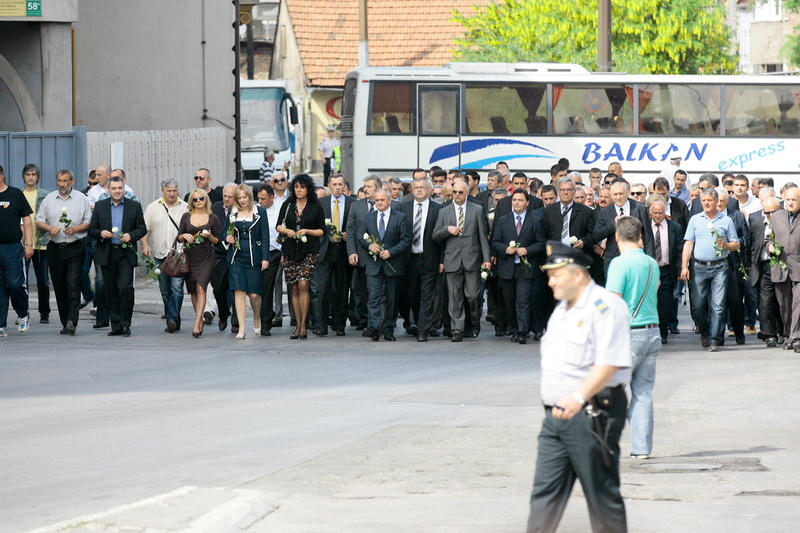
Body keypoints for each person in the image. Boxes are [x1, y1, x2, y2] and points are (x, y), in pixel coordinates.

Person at [526, 241, 631, 533]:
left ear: (577, 274)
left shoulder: (605, 306)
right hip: (556, 416)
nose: (550, 282)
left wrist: (578, 396)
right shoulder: (562, 310)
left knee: (601, 497)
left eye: (556, 275)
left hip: (591, 413)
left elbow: (610, 362)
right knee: (543, 496)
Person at [606, 216, 660, 460]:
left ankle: (604, 445)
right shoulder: (651, 263)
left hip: (628, 334)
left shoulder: (619, 264)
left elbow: (612, 302)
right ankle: (641, 448)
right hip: (652, 331)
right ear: (640, 236)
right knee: (643, 392)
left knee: (608, 391)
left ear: (617, 237)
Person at [680, 187, 740, 352]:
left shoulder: (726, 220)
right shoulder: (695, 220)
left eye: (709, 200)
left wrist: (726, 245)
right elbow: (688, 243)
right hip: (699, 267)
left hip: (720, 267)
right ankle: (705, 331)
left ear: (716, 202)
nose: (706, 203)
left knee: (718, 305)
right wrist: (684, 266)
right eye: (703, 200)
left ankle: (714, 339)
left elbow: (736, 244)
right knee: (698, 306)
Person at [432, 180, 491, 342]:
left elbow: (483, 236)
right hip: (452, 259)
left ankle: (474, 321)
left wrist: (486, 259)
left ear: (466, 193)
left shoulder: (477, 210)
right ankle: (457, 329)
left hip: (472, 258)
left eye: (460, 192)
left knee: (472, 295)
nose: (457, 195)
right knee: (455, 296)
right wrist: (447, 230)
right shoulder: (444, 212)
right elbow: (435, 235)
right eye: (455, 192)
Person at [88, 176, 147, 337]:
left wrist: (131, 235)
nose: (117, 191)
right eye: (113, 188)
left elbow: (142, 228)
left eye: (119, 188)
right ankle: (116, 325)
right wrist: (101, 233)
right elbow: (91, 230)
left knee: (125, 288)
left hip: (125, 253)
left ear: (124, 188)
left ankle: (126, 323)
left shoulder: (134, 206)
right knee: (110, 290)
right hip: (107, 252)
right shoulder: (100, 207)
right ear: (108, 190)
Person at [34, 169, 91, 335]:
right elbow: (39, 221)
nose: (62, 184)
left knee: (72, 285)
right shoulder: (49, 199)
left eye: (65, 181)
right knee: (59, 286)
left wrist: (76, 229)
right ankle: (65, 321)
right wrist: (49, 228)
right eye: (60, 181)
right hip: (55, 247)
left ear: (72, 181)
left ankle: (72, 321)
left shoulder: (82, 199)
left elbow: (88, 221)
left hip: (75, 246)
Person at [491, 189, 545, 344]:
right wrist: (504, 249)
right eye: (514, 200)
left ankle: (523, 331)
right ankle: (514, 329)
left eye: (520, 200)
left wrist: (527, 250)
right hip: (507, 266)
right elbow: (495, 241)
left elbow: (541, 243)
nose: (517, 203)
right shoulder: (503, 220)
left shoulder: (534, 221)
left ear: (527, 202)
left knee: (523, 300)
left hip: (526, 268)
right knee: (509, 300)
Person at [357, 189, 410, 341]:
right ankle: (374, 327)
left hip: (392, 263)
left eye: (382, 200)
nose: (379, 203)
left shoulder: (400, 217)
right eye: (377, 200)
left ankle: (388, 329)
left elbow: (406, 240)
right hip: (374, 265)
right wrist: (369, 246)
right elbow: (361, 237)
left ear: (389, 201)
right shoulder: (369, 217)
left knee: (391, 298)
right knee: (373, 297)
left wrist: (391, 252)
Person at [277, 174, 325, 339]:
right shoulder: (288, 204)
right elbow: (278, 225)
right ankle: (297, 325)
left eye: (302, 187)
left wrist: (307, 231)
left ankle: (304, 325)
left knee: (304, 284)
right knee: (294, 287)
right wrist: (286, 231)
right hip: (290, 249)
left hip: (309, 249)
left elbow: (321, 230)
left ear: (308, 188)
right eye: (296, 187)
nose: (298, 190)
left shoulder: (315, 205)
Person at [397, 178, 442, 342]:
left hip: (429, 257)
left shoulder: (438, 209)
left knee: (427, 295)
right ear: (412, 190)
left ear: (429, 190)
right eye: (416, 187)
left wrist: (442, 260)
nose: (419, 190)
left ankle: (423, 329)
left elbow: (441, 238)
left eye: (423, 187)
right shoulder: (403, 207)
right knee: (412, 295)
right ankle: (417, 323)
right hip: (409, 259)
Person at [142, 178, 189, 333]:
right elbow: (145, 230)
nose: (172, 193)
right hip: (159, 255)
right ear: (163, 191)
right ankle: (173, 317)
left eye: (174, 190)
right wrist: (145, 245)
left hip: (178, 255)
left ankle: (172, 318)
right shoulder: (153, 207)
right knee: (165, 290)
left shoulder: (185, 207)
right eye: (169, 191)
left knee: (177, 289)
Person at [224, 184, 270, 339]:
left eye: (245, 197)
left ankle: (256, 317)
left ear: (250, 197)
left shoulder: (259, 212)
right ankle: (242, 328)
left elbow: (265, 236)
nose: (242, 200)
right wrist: (227, 237)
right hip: (236, 256)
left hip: (254, 256)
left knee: (254, 295)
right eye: (239, 198)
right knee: (239, 291)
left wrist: (265, 258)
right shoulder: (233, 212)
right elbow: (225, 230)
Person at [178, 188, 222, 338]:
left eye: (201, 199)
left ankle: (198, 322)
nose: (198, 202)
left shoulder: (213, 218)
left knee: (201, 288)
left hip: (206, 257)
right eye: (195, 199)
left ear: (206, 200)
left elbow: (218, 241)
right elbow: (179, 237)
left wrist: (209, 237)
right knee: (193, 291)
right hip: (189, 257)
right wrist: (184, 235)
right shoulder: (186, 216)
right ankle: (200, 318)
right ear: (191, 201)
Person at [314, 174, 353, 336]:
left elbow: (356, 226)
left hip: (343, 250)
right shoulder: (320, 203)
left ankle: (340, 324)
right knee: (323, 289)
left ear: (344, 186)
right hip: (325, 250)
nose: (338, 187)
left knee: (342, 289)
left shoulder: (352, 203)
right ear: (329, 186)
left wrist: (348, 235)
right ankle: (321, 324)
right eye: (334, 184)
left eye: (340, 184)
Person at [592, 179, 654, 275]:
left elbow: (648, 237)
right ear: (611, 195)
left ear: (628, 193)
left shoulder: (640, 208)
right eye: (615, 194)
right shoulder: (604, 212)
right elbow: (596, 236)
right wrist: (613, 225)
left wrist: (650, 264)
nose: (618, 197)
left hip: (637, 260)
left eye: (621, 194)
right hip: (613, 261)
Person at [0, 164, 34, 338]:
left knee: (15, 284)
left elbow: (27, 221)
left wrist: (29, 244)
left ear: (1, 176)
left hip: (13, 248)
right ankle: (1, 325)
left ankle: (22, 315)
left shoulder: (15, 194)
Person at [645, 197, 683, 344]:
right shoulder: (644, 227)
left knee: (665, 303)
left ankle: (662, 332)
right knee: (649, 302)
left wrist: (680, 269)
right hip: (648, 270)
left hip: (666, 269)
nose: (657, 216)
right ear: (650, 213)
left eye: (660, 213)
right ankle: (650, 331)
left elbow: (679, 249)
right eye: (655, 213)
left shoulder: (675, 227)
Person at [346, 175, 382, 330]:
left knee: (378, 291)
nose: (365, 189)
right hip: (361, 255)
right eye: (364, 186)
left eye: (369, 186)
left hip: (382, 257)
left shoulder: (386, 204)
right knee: (362, 290)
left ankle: (377, 322)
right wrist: (351, 252)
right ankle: (366, 320)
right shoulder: (356, 205)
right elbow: (351, 230)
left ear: (378, 188)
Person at [769, 187, 800, 352]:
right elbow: (768, 238)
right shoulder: (776, 216)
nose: (790, 203)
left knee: (798, 304)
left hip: (798, 268)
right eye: (787, 199)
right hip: (780, 268)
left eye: (794, 199)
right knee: (784, 306)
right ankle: (788, 335)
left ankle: (796, 338)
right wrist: (769, 246)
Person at [749, 197, 782, 347]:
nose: (769, 215)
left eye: (772, 212)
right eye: (766, 212)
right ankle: (770, 334)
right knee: (765, 301)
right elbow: (750, 242)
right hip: (763, 265)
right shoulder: (756, 221)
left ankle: (784, 331)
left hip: (782, 265)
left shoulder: (786, 222)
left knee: (782, 300)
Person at [21, 164, 51, 324]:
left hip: (41, 243)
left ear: (37, 177)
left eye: (33, 174)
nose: (31, 177)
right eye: (28, 174)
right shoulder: (19, 195)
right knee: (22, 281)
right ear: (24, 177)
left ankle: (44, 312)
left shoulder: (45, 195)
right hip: (24, 243)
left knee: (43, 281)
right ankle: (24, 311)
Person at [255, 184, 283, 336]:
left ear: (272, 197)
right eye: (258, 198)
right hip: (258, 254)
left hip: (275, 252)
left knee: (270, 288)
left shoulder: (280, 210)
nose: (260, 201)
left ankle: (266, 323)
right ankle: (266, 316)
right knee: (260, 289)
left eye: (263, 199)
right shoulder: (255, 210)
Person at [210, 183, 239, 332]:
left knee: (235, 288)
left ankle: (235, 322)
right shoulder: (215, 207)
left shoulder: (241, 209)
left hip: (236, 254)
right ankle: (223, 313)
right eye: (225, 196)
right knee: (218, 288)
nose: (227, 199)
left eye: (230, 197)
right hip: (219, 253)